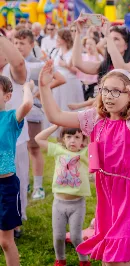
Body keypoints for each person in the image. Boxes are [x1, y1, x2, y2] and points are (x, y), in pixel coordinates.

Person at [38, 61, 130, 265]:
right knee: (110, 257)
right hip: (107, 195)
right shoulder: (95, 118)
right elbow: (55, 116)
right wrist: (44, 87)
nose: (109, 95)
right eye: (105, 90)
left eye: (116, 91)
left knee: (115, 259)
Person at [13, 29, 66, 200]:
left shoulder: (35, 64)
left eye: (22, 43)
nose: (18, 46)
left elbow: (60, 78)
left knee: (34, 149)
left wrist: (39, 92)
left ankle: (38, 186)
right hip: (16, 112)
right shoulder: (12, 63)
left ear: (31, 44)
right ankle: (25, 183)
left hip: (33, 111)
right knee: (19, 150)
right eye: (15, 42)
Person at [35, 125, 91, 266]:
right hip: (59, 204)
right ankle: (60, 260)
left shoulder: (86, 152)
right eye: (68, 137)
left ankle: (84, 261)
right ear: (63, 139)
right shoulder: (58, 150)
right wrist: (55, 125)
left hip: (77, 204)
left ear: (83, 141)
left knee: (76, 237)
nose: (72, 140)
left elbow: (96, 142)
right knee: (59, 236)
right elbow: (38, 138)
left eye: (77, 137)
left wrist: (88, 128)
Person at [0, 31, 30, 238]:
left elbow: (19, 64)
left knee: (16, 177)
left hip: (13, 138)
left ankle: (14, 223)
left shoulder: (12, 73)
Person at [0, 76, 32, 266]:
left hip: (6, 187)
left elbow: (27, 104)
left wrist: (27, 86)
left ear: (7, 96)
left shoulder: (10, 118)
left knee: (5, 241)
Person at [51, 28, 84, 111]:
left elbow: (77, 70)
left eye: (59, 38)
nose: (57, 40)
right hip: (58, 84)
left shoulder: (73, 52)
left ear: (65, 39)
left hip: (70, 83)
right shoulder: (55, 51)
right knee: (58, 105)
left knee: (69, 105)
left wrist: (65, 65)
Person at [76, 36, 103, 101]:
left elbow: (101, 67)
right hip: (83, 85)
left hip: (94, 86)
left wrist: (96, 52)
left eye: (91, 44)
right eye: (87, 44)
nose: (89, 46)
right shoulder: (82, 56)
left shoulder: (99, 57)